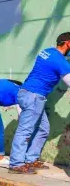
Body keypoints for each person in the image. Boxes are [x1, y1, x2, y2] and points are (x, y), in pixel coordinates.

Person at [9, 32, 70, 174]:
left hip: (28, 93)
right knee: (25, 130)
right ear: (68, 44)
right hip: (34, 96)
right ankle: (16, 163)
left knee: (43, 129)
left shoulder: (47, 52)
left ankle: (31, 159)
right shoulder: (60, 61)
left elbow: (52, 64)